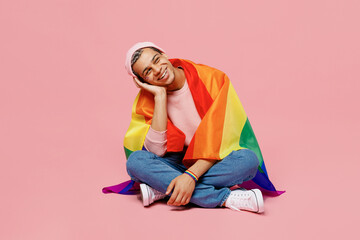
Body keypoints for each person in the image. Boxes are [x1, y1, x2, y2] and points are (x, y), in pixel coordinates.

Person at [107, 41, 283, 213]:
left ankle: (164, 189)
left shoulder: (213, 79)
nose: (157, 69)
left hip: (214, 158)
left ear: (164, 55)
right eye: (147, 71)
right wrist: (159, 97)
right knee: (136, 162)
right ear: (142, 80)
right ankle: (225, 198)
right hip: (175, 161)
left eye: (156, 60)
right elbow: (156, 153)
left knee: (248, 160)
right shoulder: (147, 100)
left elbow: (221, 140)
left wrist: (191, 176)